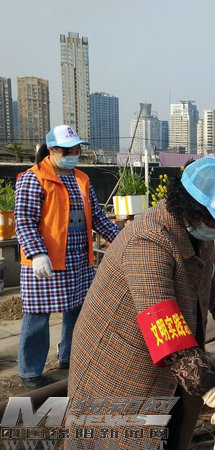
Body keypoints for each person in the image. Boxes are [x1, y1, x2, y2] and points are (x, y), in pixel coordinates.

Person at [66, 157, 215, 450]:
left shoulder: (197, 232)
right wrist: (208, 385)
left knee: (170, 431)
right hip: (119, 363)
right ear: (193, 208)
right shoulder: (149, 241)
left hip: (170, 361)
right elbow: (163, 324)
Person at [14, 125, 121, 389]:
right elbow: (24, 220)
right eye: (68, 151)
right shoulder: (33, 178)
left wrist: (122, 240)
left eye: (76, 150)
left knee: (78, 311)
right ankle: (30, 372)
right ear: (52, 150)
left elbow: (97, 217)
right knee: (37, 316)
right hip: (45, 260)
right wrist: (37, 253)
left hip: (77, 258)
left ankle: (70, 357)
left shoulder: (81, 179)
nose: (74, 155)